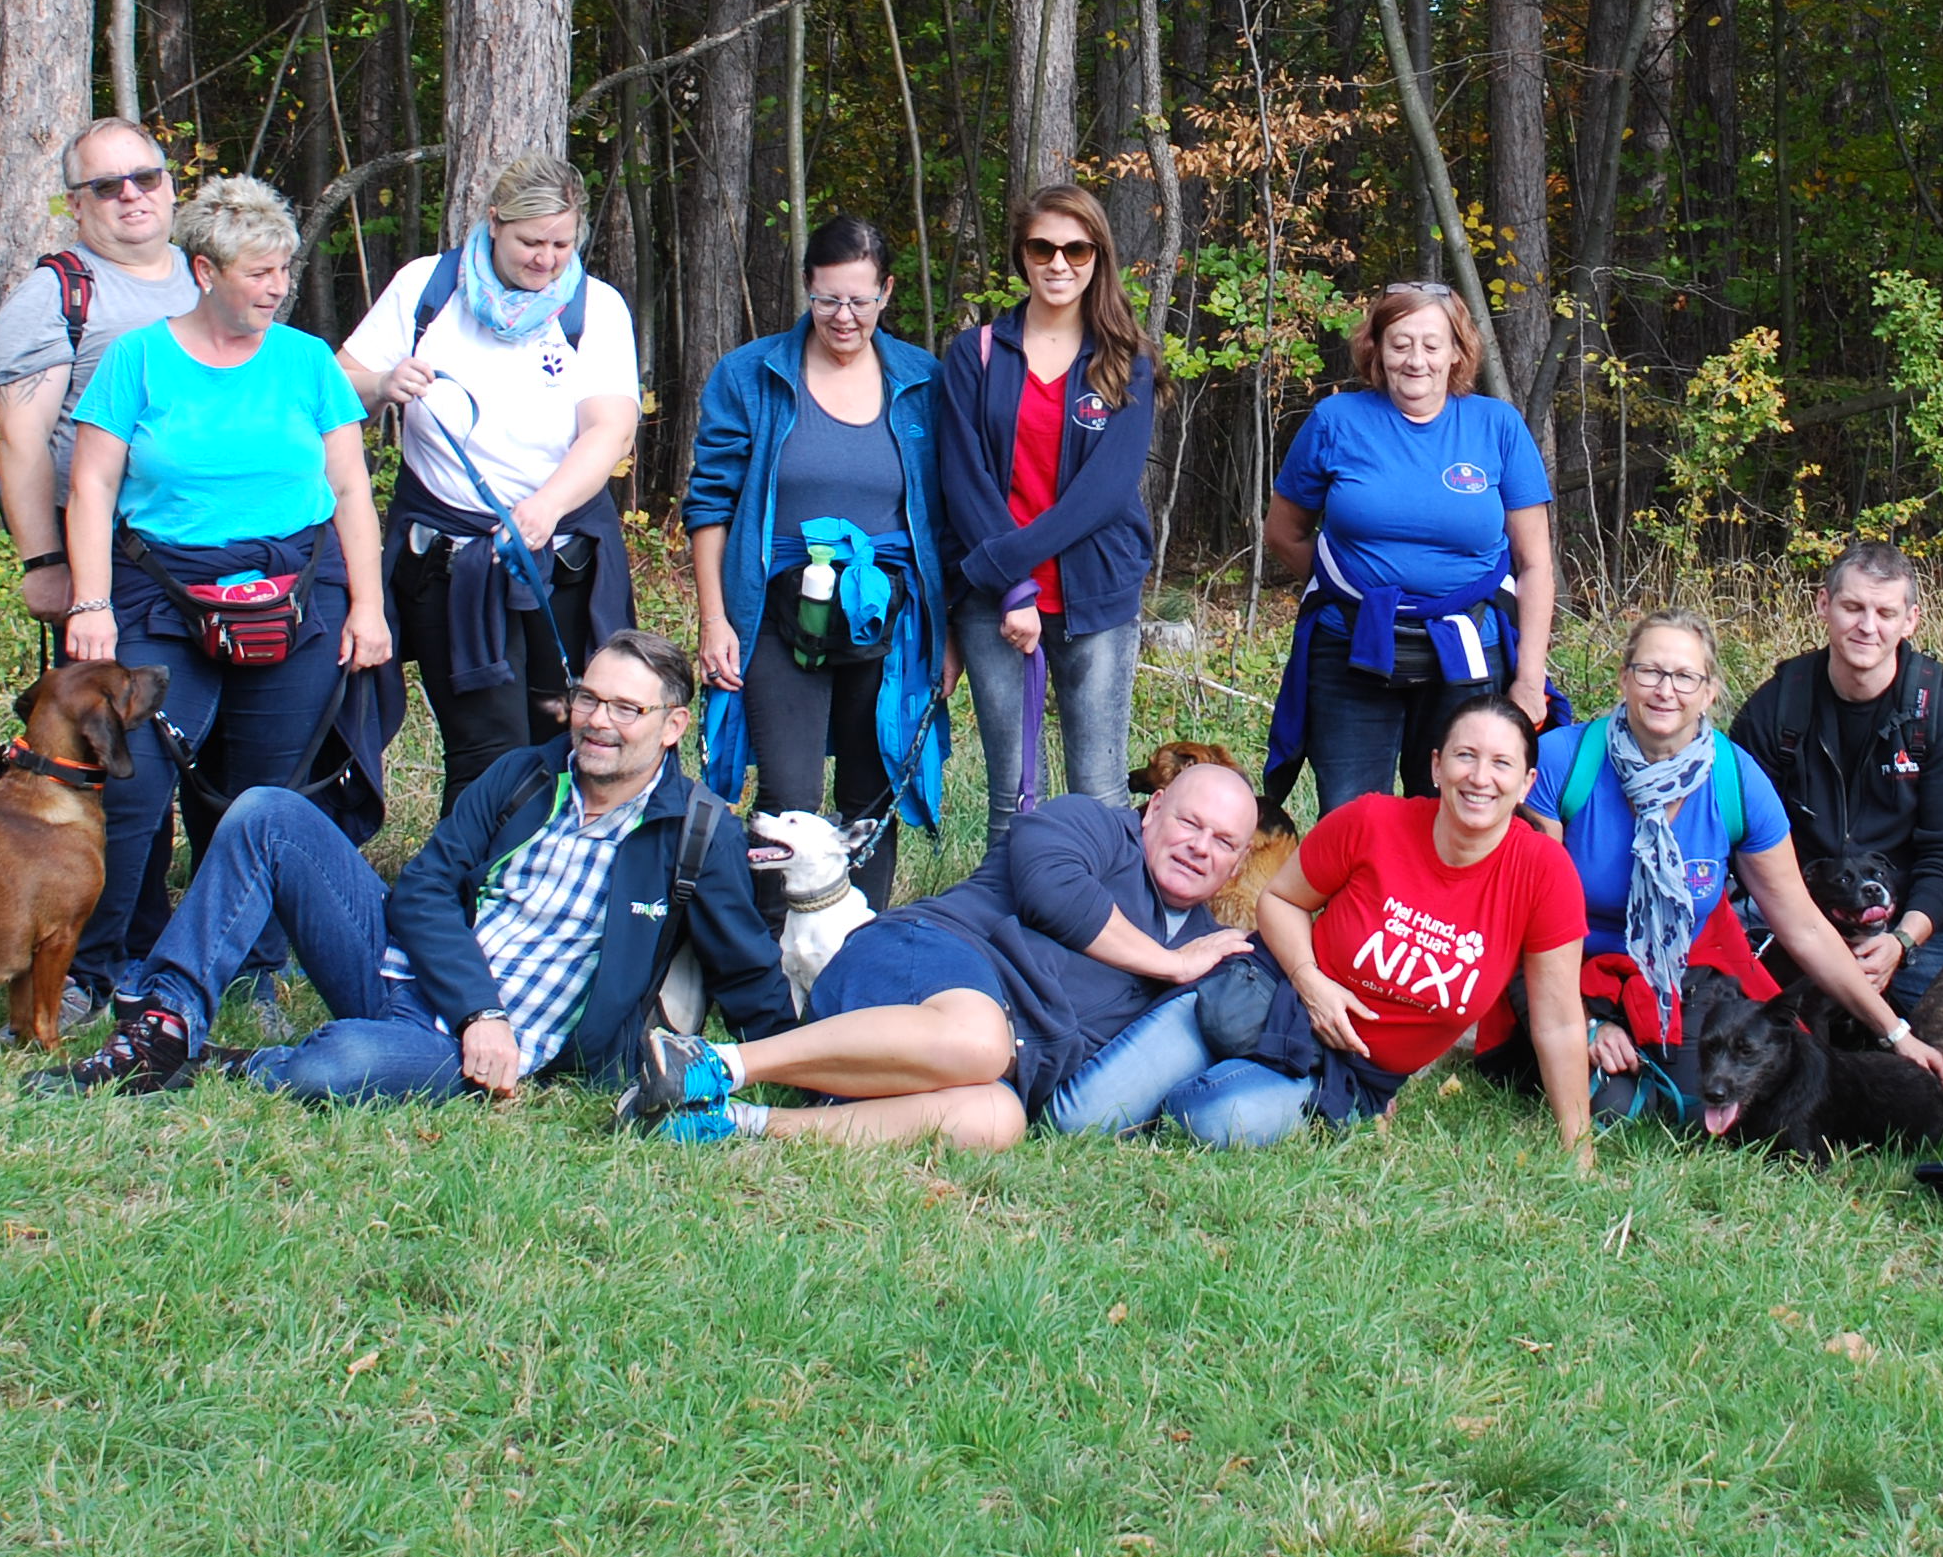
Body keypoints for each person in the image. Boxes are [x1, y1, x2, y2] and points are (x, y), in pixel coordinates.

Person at [34, 631, 794, 1101]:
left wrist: (812, 1072)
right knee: (267, 812)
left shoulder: (697, 832)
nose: (598, 722)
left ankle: (239, 1065)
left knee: (336, 1067)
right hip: (404, 977)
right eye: (588, 698)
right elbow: (427, 884)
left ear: (671, 727)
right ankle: (164, 1027)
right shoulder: (528, 774)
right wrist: (478, 1007)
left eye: (627, 709)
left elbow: (746, 970)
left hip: (482, 1056)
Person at [60, 174, 395, 1018]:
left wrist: (368, 606)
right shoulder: (137, 358)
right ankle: (99, 968)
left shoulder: (306, 360)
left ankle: (248, 972)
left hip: (294, 588)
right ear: (206, 272)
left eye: (284, 270)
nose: (277, 288)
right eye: (259, 272)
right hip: (161, 589)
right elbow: (93, 487)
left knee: (262, 795)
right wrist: (90, 603)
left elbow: (351, 489)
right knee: (131, 784)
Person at [610, 759, 1263, 1148]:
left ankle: (732, 1123)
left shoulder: (1205, 947)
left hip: (997, 1062)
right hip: (923, 961)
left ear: (1236, 867)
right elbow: (1052, 889)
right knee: (983, 1040)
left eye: (1223, 842)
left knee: (998, 1122)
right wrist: (1169, 962)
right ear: (1150, 813)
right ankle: (716, 1064)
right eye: (1188, 823)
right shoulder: (1089, 825)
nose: (1201, 846)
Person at [1520, 613, 1943, 1128]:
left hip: (1684, 975)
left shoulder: (1736, 780)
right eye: (1650, 672)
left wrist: (1895, 1032)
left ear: (1709, 693)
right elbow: (1528, 919)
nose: (1665, 691)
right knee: (1614, 1111)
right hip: (1568, 970)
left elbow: (1804, 925)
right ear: (1624, 678)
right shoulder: (1560, 763)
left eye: (1685, 677)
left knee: (1713, 1104)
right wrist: (1588, 1024)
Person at [1153, 695, 1596, 1152]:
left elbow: (1559, 1022)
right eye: (1466, 756)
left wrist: (1577, 1146)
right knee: (1088, 1108)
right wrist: (1311, 982)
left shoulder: (1543, 873)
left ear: (1526, 784)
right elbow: (1281, 899)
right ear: (1437, 766)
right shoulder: (1374, 820)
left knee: (1205, 1117)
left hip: (1355, 1072)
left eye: (1501, 763)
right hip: (1276, 1000)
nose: (1480, 778)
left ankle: (1327, 1101)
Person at [340, 152, 642, 811]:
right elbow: (339, 390)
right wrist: (382, 384)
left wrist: (544, 507)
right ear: (493, 223)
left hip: (561, 558)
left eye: (562, 243)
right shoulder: (428, 289)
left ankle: (562, 886)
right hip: (448, 561)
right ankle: (466, 899)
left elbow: (610, 430)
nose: (546, 259)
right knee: (486, 749)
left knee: (566, 732)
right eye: (530, 242)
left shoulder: (597, 308)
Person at [687, 218, 949, 911]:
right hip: (776, 609)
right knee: (787, 799)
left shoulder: (923, 381)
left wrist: (945, 637)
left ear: (887, 293)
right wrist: (715, 619)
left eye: (861, 301)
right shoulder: (752, 375)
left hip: (885, 615)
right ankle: (766, 972)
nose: (844, 317)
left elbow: (945, 519)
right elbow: (709, 504)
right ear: (807, 287)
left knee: (873, 790)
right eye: (829, 299)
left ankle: (859, 958)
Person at [1258, 284, 1554, 812]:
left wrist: (1530, 680)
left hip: (1468, 653)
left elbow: (1534, 565)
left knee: (1460, 811)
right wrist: (1356, 597)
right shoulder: (1335, 421)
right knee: (1351, 817)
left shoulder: (1498, 426)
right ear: (1375, 349)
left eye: (1432, 345)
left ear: (1458, 352)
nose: (1415, 360)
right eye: (1399, 344)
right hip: (1352, 649)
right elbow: (1284, 532)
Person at [935, 183, 1160, 824]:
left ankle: (1106, 921)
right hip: (994, 606)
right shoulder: (974, 354)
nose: (1059, 264)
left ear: (1098, 256)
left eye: (1076, 249)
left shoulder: (1126, 360)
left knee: (1100, 794)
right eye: (1043, 247)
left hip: (1096, 597)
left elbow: (1104, 493)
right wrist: (1013, 590)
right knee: (1012, 798)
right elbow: (964, 480)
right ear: (1021, 255)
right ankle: (1004, 925)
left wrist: (1011, 567)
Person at [1727, 540, 1943, 994]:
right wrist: (1810, 930)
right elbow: (1742, 836)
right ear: (1824, 605)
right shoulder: (1776, 707)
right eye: (1852, 607)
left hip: (1918, 921)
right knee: (1750, 1025)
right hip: (1800, 913)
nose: (1867, 627)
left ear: (1910, 621)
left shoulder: (1942, 713)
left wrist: (1903, 940)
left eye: (1886, 613)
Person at [0, 118, 196, 652]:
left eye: (146, 178)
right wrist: (45, 562)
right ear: (75, 205)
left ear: (171, 186)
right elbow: (21, 441)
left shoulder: (210, 276)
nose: (131, 195)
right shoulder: (54, 295)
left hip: (209, 537)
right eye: (105, 186)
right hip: (108, 553)